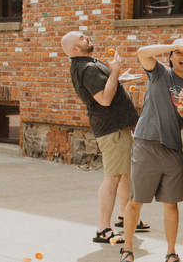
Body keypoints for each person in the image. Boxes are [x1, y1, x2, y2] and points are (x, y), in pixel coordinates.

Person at [118, 38, 183, 262]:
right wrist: (174, 45)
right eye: (178, 53)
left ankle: (171, 252)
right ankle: (127, 249)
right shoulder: (160, 73)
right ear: (171, 56)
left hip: (173, 149)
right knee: (135, 201)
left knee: (171, 203)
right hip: (146, 144)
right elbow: (142, 52)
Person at [61, 31, 145, 247]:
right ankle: (103, 229)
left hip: (119, 127)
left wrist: (119, 77)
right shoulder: (87, 68)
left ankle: (125, 216)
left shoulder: (87, 64)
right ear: (74, 49)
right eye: (81, 38)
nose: (86, 37)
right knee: (113, 178)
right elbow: (105, 99)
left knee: (125, 174)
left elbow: (101, 86)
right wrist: (115, 71)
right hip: (112, 130)